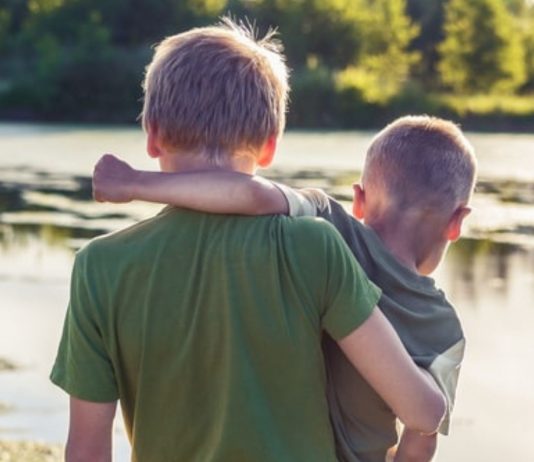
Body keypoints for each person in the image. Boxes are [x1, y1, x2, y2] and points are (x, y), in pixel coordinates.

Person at [51, 20, 445, 462]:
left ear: (153, 135)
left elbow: (86, 451)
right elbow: (423, 412)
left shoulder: (98, 266)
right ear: (270, 146)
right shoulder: (314, 247)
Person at [92, 115, 476, 462]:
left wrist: (136, 183)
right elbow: (421, 442)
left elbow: (251, 194)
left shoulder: (332, 224)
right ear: (457, 222)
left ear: (359, 200)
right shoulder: (444, 330)